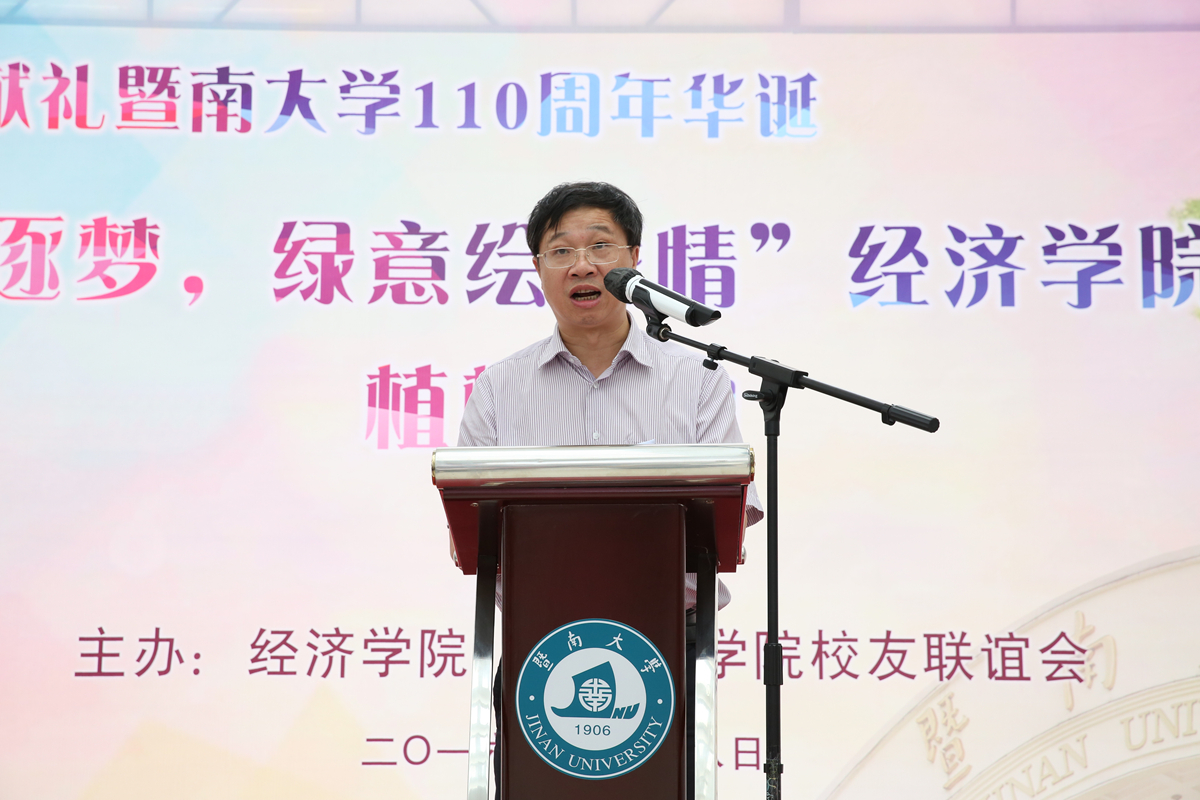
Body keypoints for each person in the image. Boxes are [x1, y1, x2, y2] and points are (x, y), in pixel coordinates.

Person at [457, 181, 762, 798]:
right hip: (537, 645)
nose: (582, 265)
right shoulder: (498, 389)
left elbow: (731, 514)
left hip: (669, 639)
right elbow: (472, 524)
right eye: (561, 251)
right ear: (538, 268)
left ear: (633, 259)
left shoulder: (698, 381)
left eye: (600, 246)